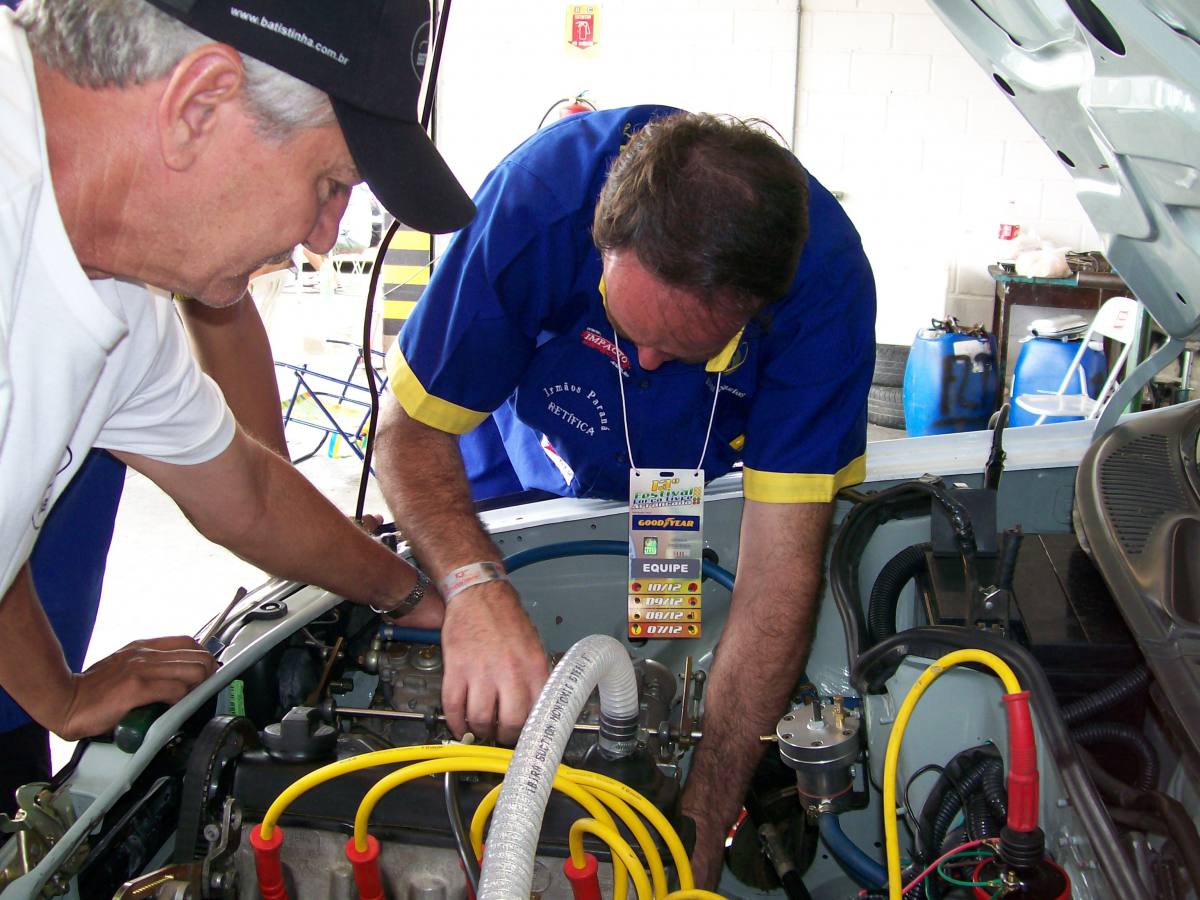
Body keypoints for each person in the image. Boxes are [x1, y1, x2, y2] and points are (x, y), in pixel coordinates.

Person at [375, 106, 876, 886]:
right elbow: (405, 432)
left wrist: (703, 830)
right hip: (510, 471)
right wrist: (473, 585)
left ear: (752, 309)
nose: (641, 360)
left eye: (675, 347)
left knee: (660, 657)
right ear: (600, 241)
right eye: (623, 320)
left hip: (666, 491)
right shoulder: (538, 204)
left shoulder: (826, 295)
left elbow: (779, 572)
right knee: (493, 652)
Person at [0, 0, 477, 777]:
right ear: (199, 106)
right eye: (329, 182)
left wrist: (413, 595)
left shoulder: (122, 294)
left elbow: (246, 492)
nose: (326, 236)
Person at [0, 292, 288, 815]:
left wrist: (301, 545)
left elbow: (222, 300)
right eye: (321, 203)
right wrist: (58, 696)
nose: (322, 239)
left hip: (21, 681)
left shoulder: (141, 283)